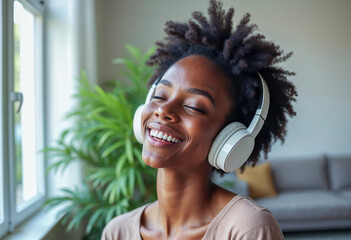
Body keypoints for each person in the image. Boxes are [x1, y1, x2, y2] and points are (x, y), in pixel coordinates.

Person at [102, 0, 297, 239]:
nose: (164, 110)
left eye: (194, 107)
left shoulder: (248, 228)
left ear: (229, 139)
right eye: (161, 95)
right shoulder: (117, 231)